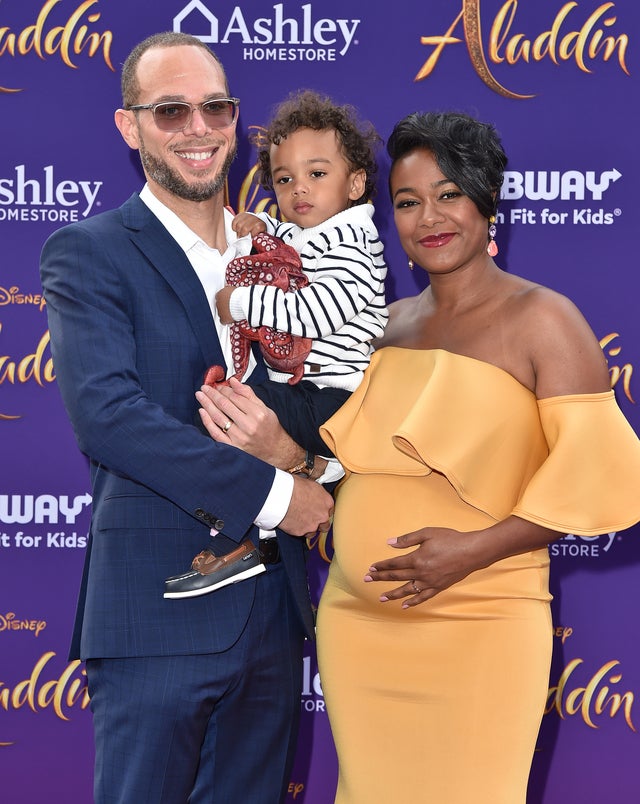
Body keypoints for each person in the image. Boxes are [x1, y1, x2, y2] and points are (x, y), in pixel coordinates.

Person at [196, 111, 640, 803]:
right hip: (357, 626)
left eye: (449, 194)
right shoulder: (385, 327)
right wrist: (290, 458)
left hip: (482, 623)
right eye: (407, 202)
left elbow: (603, 474)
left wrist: (473, 550)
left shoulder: (546, 321)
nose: (428, 216)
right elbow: (353, 477)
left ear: (488, 204)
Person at [39, 31, 335, 804]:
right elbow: (109, 418)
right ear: (128, 126)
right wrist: (280, 495)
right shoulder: (90, 252)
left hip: (272, 619)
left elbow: (330, 397)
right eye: (170, 111)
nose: (198, 128)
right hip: (155, 619)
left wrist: (306, 462)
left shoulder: (284, 255)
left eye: (216, 107)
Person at [166, 89, 388, 598]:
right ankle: (255, 539)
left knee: (240, 409)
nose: (299, 189)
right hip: (314, 394)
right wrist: (262, 223)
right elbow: (292, 237)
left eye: (317, 174)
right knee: (233, 414)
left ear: (355, 183)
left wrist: (236, 303)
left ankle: (247, 536)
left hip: (336, 401)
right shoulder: (318, 231)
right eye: (285, 179)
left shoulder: (355, 244)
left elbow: (316, 311)